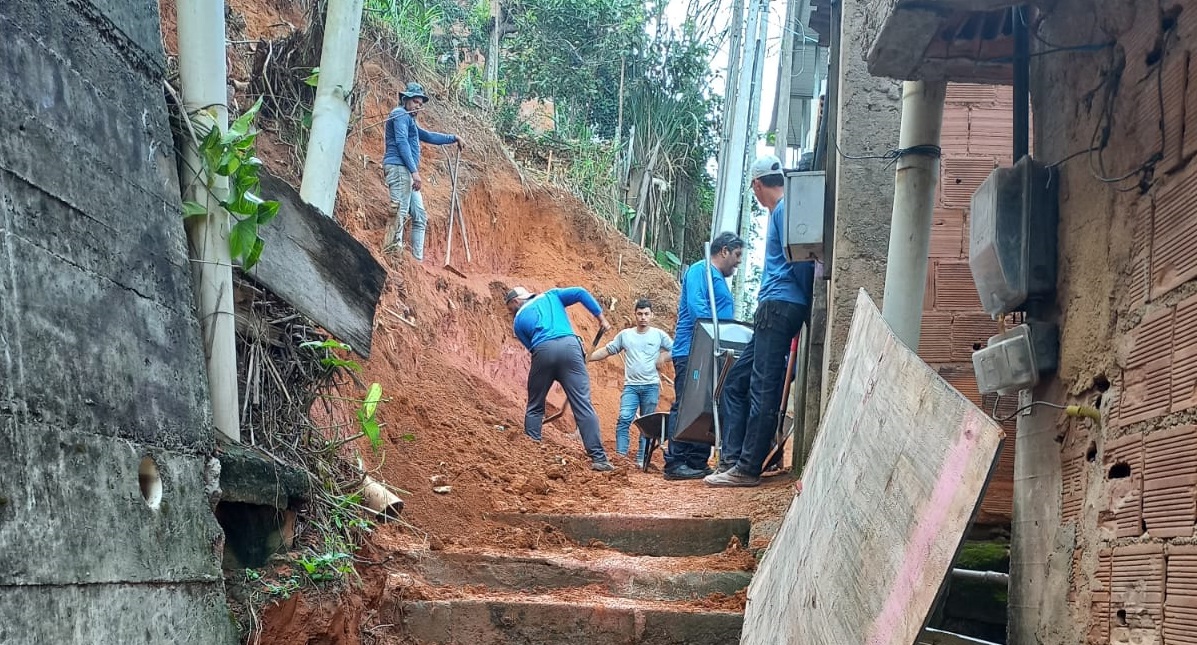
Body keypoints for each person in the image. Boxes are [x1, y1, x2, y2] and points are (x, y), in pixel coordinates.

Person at [705, 155, 815, 488]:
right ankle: (736, 458)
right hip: (776, 308)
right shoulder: (782, 210)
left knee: (763, 387)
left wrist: (805, 302)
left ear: (756, 184)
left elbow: (802, 261)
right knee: (737, 382)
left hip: (779, 305)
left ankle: (748, 468)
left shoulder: (782, 210)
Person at [505, 285, 616, 471]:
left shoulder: (517, 322)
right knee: (582, 404)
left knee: (535, 405)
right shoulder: (552, 296)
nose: (511, 313)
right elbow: (581, 292)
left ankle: (532, 454)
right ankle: (599, 459)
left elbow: (532, 348)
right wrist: (601, 318)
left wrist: (550, 368)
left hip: (543, 351)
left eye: (510, 309)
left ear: (516, 301)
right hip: (570, 348)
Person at [662, 231, 744, 481]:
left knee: (707, 404)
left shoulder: (718, 278)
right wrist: (719, 336)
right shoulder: (701, 270)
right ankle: (676, 461)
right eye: (737, 255)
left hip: (712, 351)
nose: (739, 261)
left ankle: (697, 459)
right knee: (687, 403)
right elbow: (697, 308)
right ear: (724, 251)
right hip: (693, 349)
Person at [382, 81, 465, 260]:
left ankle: (416, 262)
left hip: (406, 171)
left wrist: (453, 138)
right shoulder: (400, 114)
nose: (418, 107)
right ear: (405, 99)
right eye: (415, 102)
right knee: (400, 210)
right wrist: (414, 171)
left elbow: (428, 136)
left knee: (419, 215)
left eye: (420, 104)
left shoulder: (409, 119)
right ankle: (393, 252)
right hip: (399, 168)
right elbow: (401, 142)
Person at [587, 299, 673, 465]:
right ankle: (621, 458)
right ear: (635, 314)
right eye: (640, 314)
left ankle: (642, 460)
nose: (643, 317)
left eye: (646, 314)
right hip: (631, 386)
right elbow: (607, 350)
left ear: (651, 315)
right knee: (624, 418)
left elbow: (675, 349)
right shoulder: (625, 335)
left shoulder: (658, 335)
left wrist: (663, 357)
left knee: (647, 424)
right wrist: (588, 357)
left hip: (651, 386)